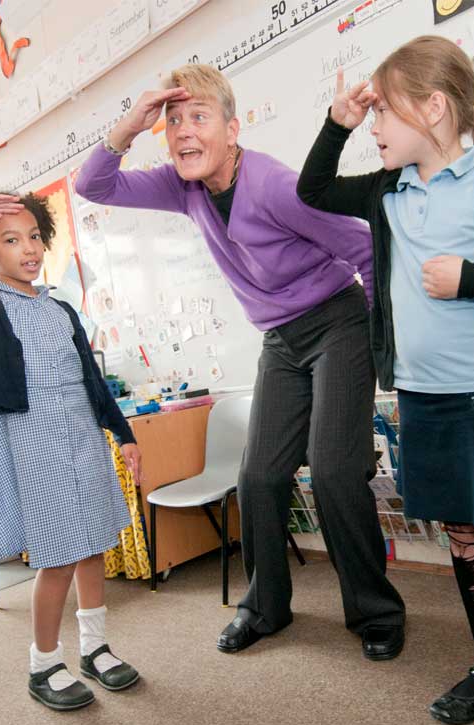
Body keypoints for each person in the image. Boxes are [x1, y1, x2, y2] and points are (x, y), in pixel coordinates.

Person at [75, 63, 406, 659]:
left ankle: (375, 611)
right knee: (258, 476)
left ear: (232, 129)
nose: (182, 132)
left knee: (333, 472)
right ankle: (265, 607)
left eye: (198, 117)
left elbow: (364, 247)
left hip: (337, 321)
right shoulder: (184, 186)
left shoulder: (276, 186)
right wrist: (129, 123)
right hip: (280, 339)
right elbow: (93, 186)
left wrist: (380, 346)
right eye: (173, 121)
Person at [297, 37, 474, 725]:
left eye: (384, 111)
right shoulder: (388, 190)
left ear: (435, 108)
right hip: (421, 399)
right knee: (462, 536)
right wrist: (338, 121)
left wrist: (471, 279)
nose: (376, 126)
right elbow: (313, 190)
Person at [0, 194, 142, 711]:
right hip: (30, 438)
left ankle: (96, 647)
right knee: (60, 554)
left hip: (82, 435)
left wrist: (123, 432)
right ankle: (44, 664)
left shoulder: (61, 307)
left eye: (35, 237)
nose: (28, 249)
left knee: (92, 544)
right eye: (11, 239)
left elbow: (92, 381)